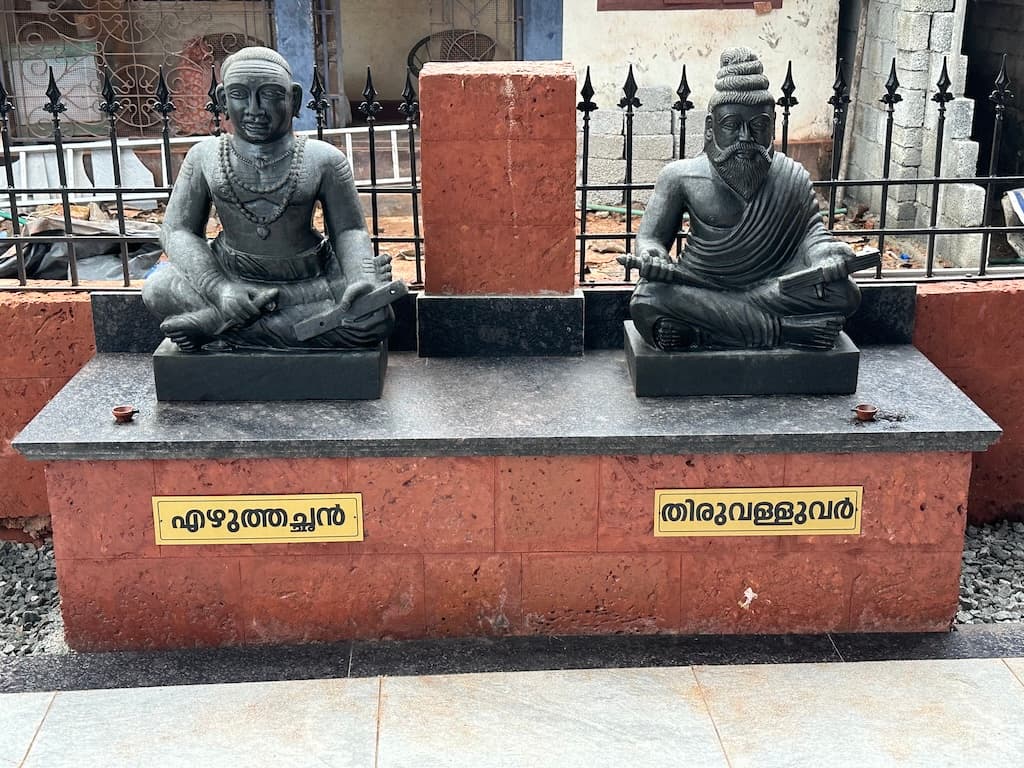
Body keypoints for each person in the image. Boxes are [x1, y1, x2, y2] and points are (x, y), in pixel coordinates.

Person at [143, 46, 395, 352]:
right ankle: (245, 322)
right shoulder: (204, 156)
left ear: (294, 99)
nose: (255, 109)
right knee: (157, 289)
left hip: (309, 283)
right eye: (239, 95)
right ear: (222, 100)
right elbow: (177, 231)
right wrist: (220, 289)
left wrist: (360, 281)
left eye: (271, 95)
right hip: (231, 275)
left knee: (375, 321)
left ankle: (218, 326)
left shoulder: (324, 159)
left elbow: (349, 230)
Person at [619, 47, 865, 352]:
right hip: (699, 285)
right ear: (710, 128)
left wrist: (827, 256)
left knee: (845, 293)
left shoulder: (792, 175)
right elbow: (651, 238)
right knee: (648, 297)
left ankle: (710, 333)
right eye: (732, 125)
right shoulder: (680, 177)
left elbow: (812, 236)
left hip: (772, 289)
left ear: (772, 125)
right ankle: (785, 331)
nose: (746, 138)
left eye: (758, 126)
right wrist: (653, 256)